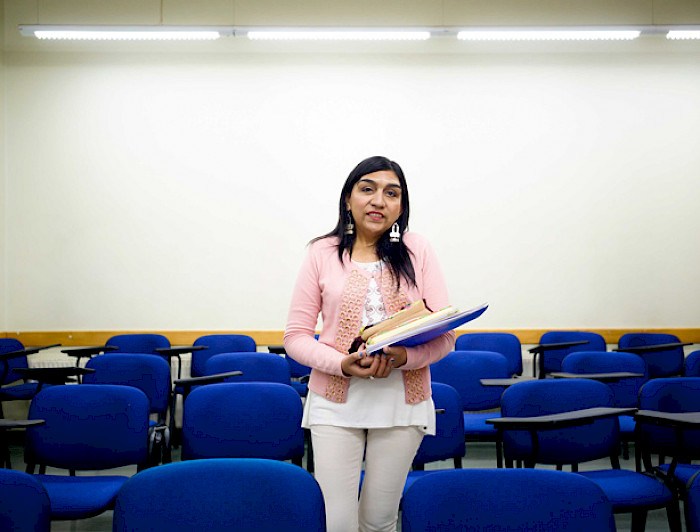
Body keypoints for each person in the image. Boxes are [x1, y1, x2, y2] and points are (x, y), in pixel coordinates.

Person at [283, 155, 455, 532]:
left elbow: (446, 334)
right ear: (348, 199)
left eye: (392, 193)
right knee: (337, 523)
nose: (379, 200)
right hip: (334, 401)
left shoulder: (418, 249)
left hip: (402, 402)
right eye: (368, 189)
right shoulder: (321, 252)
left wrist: (404, 357)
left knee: (379, 520)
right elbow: (294, 336)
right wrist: (341, 364)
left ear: (401, 206)